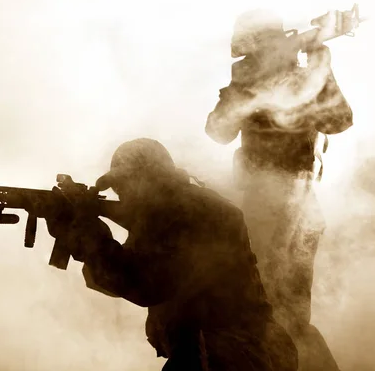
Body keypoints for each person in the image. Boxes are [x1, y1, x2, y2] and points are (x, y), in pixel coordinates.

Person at [45, 138, 298, 371]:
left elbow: (145, 284)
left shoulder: (187, 212)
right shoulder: (175, 209)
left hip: (233, 351)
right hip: (230, 348)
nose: (121, 193)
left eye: (124, 184)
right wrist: (79, 236)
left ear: (147, 179)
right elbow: (115, 280)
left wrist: (89, 232)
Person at [205, 9, 354, 371]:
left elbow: (340, 121)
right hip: (268, 204)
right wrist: (242, 92)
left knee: (281, 312)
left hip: (292, 205)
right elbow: (217, 131)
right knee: (267, 308)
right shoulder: (255, 85)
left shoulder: (304, 83)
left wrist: (321, 65)